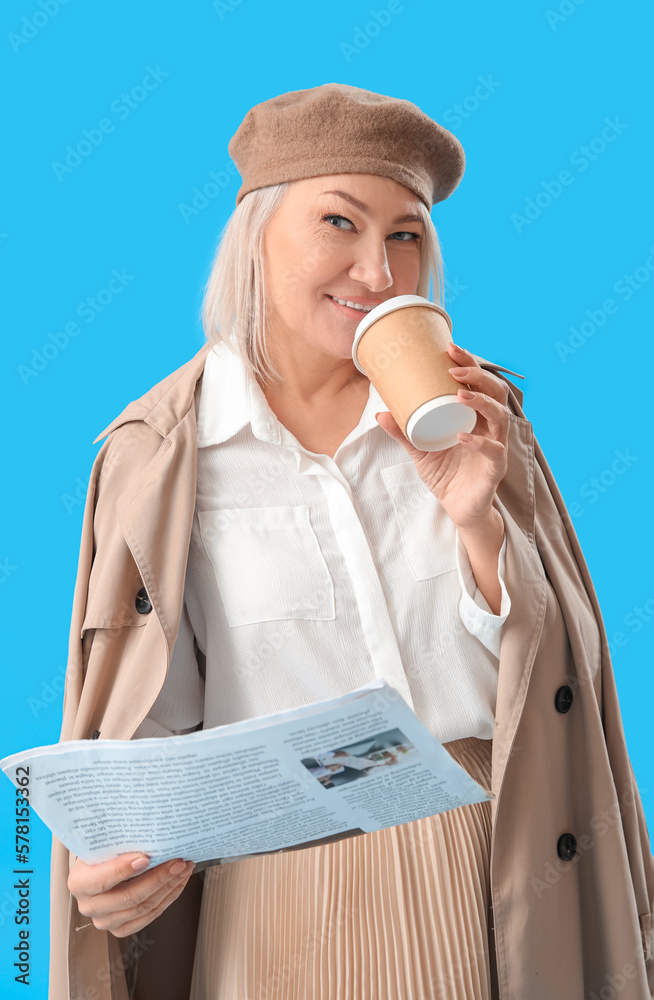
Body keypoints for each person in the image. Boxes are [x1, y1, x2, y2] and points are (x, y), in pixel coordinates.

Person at [50, 84, 654, 1000]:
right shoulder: (160, 456)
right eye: (339, 222)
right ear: (256, 232)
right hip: (271, 898)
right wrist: (105, 868)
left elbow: (560, 685)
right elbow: (147, 728)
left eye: (405, 235)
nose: (378, 270)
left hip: (484, 867)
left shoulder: (482, 420)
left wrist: (476, 521)